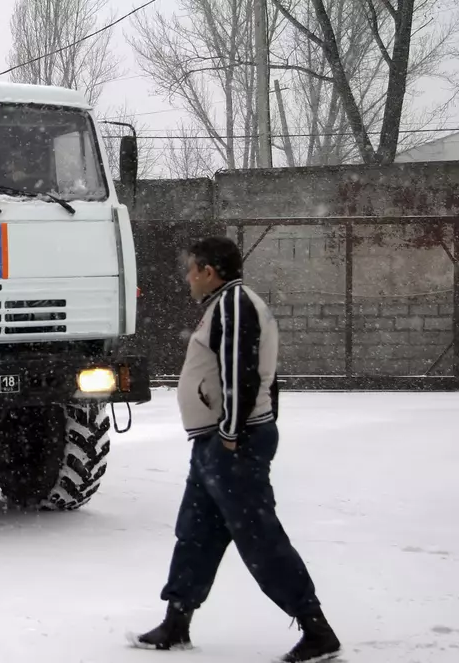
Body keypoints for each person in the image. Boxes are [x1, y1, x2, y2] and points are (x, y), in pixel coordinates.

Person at [130, 237, 341, 663]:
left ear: (209, 270)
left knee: (260, 538)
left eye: (192, 269)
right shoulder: (228, 305)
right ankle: (177, 620)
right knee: (195, 532)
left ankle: (317, 630)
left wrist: (231, 433)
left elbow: (242, 371)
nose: (187, 277)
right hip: (215, 444)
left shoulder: (234, 305)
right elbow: (265, 377)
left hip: (231, 445)